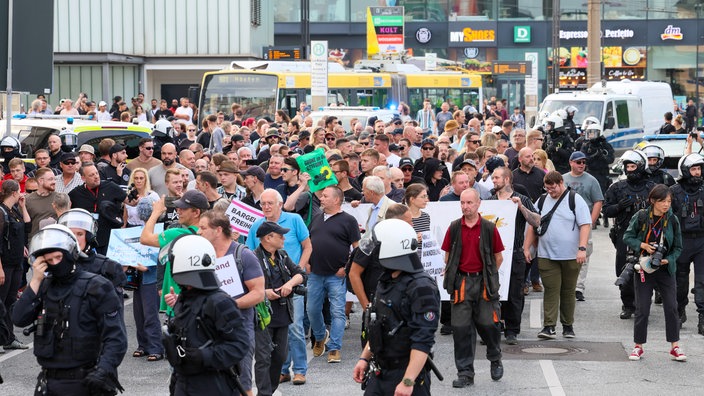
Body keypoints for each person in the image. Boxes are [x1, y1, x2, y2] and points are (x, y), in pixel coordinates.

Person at [11, 225, 127, 395]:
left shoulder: (97, 286)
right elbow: (19, 318)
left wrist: (104, 370)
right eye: (48, 261)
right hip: (48, 381)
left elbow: (116, 337)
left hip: (86, 380)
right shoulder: (44, 287)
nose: (55, 264)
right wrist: (35, 281)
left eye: (58, 257)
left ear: (71, 254)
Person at [352, 218, 440, 395]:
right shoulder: (385, 281)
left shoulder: (422, 287)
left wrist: (408, 381)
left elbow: (423, 339)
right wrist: (364, 358)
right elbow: (378, 327)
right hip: (380, 371)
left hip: (407, 375)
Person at [161, 234, 249, 394]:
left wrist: (203, 356)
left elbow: (239, 345)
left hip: (213, 384)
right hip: (184, 381)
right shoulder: (185, 299)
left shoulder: (219, 302)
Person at [247, 189, 312, 386]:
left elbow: (307, 248)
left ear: (280, 204)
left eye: (269, 203)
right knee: (265, 353)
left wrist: (292, 280)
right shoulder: (256, 229)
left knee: (294, 331)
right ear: (267, 237)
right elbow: (248, 262)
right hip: (263, 304)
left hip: (287, 296)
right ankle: (272, 382)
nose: (266, 207)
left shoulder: (293, 222)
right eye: (263, 203)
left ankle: (299, 369)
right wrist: (262, 292)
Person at [442, 188, 505, 388]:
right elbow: (448, 255)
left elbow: (498, 257)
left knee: (488, 324)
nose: (465, 206)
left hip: (484, 283)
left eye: (469, 203)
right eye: (462, 203)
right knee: (461, 329)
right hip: (461, 284)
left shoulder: (488, 227)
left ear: (478, 204)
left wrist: (488, 276)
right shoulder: (454, 228)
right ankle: (465, 373)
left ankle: (495, 357)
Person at [197, 211, 265, 394]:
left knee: (242, 384)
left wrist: (229, 306)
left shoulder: (243, 255)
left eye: (203, 228)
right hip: (209, 331)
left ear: (218, 230)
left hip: (238, 330)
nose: (198, 232)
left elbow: (258, 293)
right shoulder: (202, 255)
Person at [525, 171, 591, 339]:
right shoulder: (541, 200)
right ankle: (549, 326)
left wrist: (582, 249)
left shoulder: (575, 200)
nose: (550, 192)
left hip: (571, 256)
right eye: (547, 189)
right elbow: (533, 226)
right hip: (547, 255)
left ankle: (568, 325)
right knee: (551, 290)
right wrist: (527, 248)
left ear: (561, 182)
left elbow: (585, 225)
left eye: (553, 188)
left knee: (568, 291)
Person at [623, 184, 686, 361]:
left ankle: (675, 347)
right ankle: (638, 346)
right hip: (644, 267)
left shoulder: (672, 219)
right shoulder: (642, 216)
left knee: (672, 308)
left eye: (669, 201)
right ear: (653, 201)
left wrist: (669, 259)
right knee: (642, 308)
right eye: (663, 201)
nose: (666, 205)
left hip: (666, 269)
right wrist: (642, 245)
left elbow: (678, 247)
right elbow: (627, 237)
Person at [252, 221, 307, 396]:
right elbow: (247, 286)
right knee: (263, 358)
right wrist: (264, 292)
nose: (284, 238)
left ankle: (270, 389)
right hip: (263, 316)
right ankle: (264, 393)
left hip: (282, 314)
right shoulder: (253, 258)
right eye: (280, 235)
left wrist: (289, 284)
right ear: (268, 238)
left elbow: (301, 274)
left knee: (279, 358)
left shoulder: (282, 255)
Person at [307, 186, 360, 364]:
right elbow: (308, 242)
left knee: (337, 311)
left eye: (325, 196)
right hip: (314, 273)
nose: (321, 198)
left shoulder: (349, 220)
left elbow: (356, 248)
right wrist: (306, 261)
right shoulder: (316, 218)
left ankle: (335, 347)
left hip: (336, 275)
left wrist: (346, 267)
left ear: (336, 200)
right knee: (312, 310)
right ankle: (321, 336)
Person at [489, 167, 540, 344]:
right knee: (492, 291)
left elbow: (536, 221)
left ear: (507, 179)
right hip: (493, 254)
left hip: (515, 253)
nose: (493, 181)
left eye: (496, 178)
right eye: (492, 178)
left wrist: (521, 207)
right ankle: (494, 326)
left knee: (514, 294)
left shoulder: (521, 198)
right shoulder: (490, 200)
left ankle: (512, 330)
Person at [603, 150, 656, 319]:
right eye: (628, 167)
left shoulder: (652, 188)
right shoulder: (617, 188)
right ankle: (628, 304)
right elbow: (606, 211)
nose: (630, 170)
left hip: (648, 236)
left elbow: (665, 208)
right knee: (624, 270)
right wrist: (618, 206)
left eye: (633, 166)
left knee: (647, 269)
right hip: (624, 236)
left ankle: (643, 304)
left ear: (641, 167)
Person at [140, 190, 209, 316]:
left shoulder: (178, 233)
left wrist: (156, 212)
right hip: (199, 301)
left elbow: (144, 238)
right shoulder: (209, 233)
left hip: (178, 301)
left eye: (183, 208)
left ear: (196, 212)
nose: (178, 211)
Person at [562, 151, 604, 301]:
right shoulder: (563, 179)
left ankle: (579, 287)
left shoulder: (592, 180)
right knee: (567, 252)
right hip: (566, 222)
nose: (581, 165)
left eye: (584, 162)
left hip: (583, 222)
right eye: (578, 162)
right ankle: (567, 284)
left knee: (584, 253)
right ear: (571, 162)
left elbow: (598, 201)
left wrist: (591, 221)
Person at [671, 154, 704, 333]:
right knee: (680, 280)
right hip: (682, 241)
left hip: (701, 241)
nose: (697, 172)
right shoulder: (674, 191)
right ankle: (679, 310)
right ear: (685, 170)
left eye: (699, 168)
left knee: (702, 281)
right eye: (693, 169)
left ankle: (702, 317)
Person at [69, 163, 128, 255]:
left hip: (110, 239)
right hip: (88, 241)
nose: (96, 177)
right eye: (91, 175)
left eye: (96, 173)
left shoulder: (111, 186)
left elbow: (130, 202)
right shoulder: (75, 194)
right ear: (83, 178)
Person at [0, 180, 30, 351]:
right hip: (5, 264)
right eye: (20, 191)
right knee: (1, 302)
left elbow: (27, 226)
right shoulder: (1, 212)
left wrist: (23, 206)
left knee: (11, 302)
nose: (22, 193)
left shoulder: (14, 210)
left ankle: (9, 338)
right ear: (13, 192)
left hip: (16, 262)